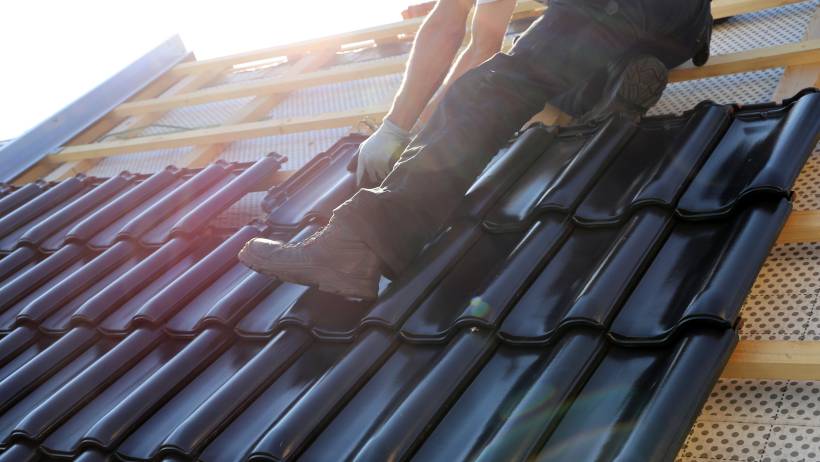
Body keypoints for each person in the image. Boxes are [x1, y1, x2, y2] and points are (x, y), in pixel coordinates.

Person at [239, 0, 713, 300]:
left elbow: (457, 30)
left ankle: (354, 245)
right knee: (547, 66)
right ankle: (614, 78)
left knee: (493, 89)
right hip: (679, 25)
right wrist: (418, 141)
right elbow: (483, 39)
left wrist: (397, 127)